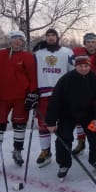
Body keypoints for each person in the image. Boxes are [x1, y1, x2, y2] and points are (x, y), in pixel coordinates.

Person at [0, 30, 37, 171]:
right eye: (15, 38)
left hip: (21, 98)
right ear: (10, 41)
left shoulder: (28, 56)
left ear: (23, 41)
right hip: (1, 97)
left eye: (20, 39)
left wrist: (33, 93)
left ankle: (17, 151)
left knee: (20, 125)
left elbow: (33, 76)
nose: (17, 41)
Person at [46, 56, 96, 179]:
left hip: (89, 115)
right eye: (81, 66)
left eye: (86, 66)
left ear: (89, 66)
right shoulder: (66, 79)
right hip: (68, 114)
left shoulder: (95, 79)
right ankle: (64, 164)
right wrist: (51, 121)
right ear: (76, 66)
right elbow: (55, 101)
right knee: (64, 137)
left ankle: (95, 159)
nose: (84, 68)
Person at [33, 28, 73, 167]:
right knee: (44, 124)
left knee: (62, 125)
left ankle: (62, 152)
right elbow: (32, 72)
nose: (50, 38)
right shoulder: (38, 53)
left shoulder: (67, 52)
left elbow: (72, 72)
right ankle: (45, 151)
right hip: (43, 94)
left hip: (62, 94)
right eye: (48, 35)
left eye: (53, 35)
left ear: (57, 37)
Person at [72, 33, 96, 155]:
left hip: (95, 93)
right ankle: (81, 142)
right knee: (79, 118)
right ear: (85, 43)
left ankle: (93, 145)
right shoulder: (77, 53)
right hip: (80, 92)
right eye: (88, 42)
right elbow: (62, 53)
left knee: (94, 119)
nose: (90, 44)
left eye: (93, 42)